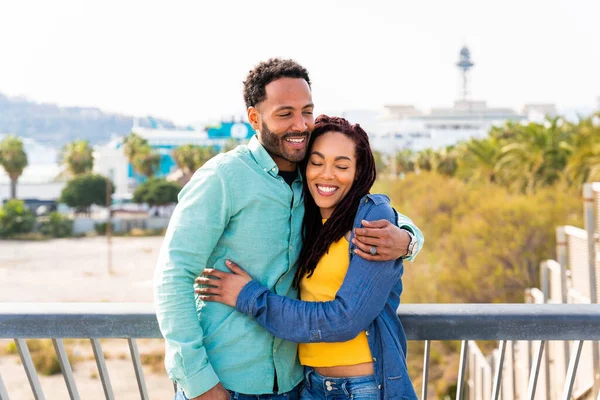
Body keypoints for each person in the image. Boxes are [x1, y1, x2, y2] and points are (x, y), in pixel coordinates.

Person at [154, 59, 423, 400]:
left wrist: (408, 240)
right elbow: (173, 276)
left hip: (295, 385)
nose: (300, 125)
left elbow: (372, 210)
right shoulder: (223, 178)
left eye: (306, 112)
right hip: (224, 384)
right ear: (254, 118)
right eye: (285, 114)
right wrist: (197, 381)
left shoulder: (310, 185)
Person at [197, 115, 419, 399]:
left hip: (362, 388)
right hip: (310, 386)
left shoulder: (371, 218)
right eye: (316, 162)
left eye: (341, 166)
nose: (327, 175)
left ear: (359, 172)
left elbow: (345, 320)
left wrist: (249, 297)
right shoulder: (308, 218)